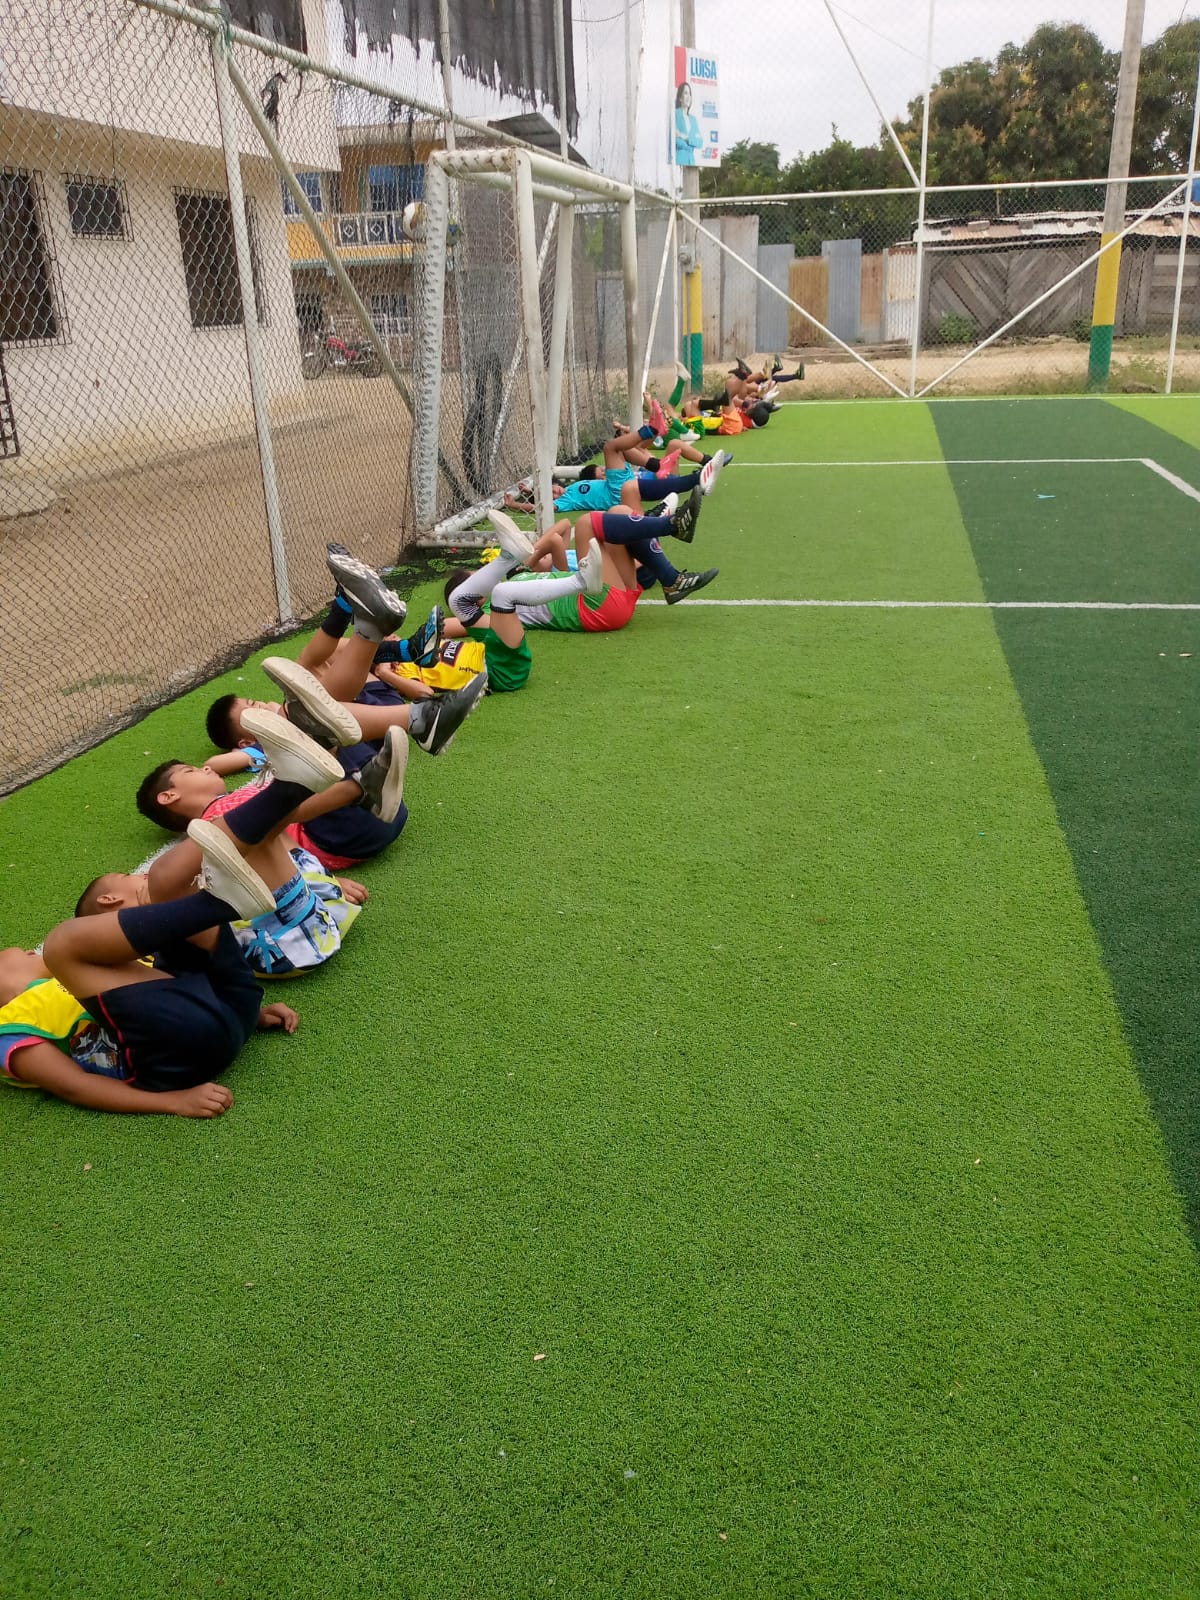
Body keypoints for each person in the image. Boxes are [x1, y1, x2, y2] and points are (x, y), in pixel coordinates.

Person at [0, 711, 356, 1114]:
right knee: (61, 943)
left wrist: (253, 1015)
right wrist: (171, 1102)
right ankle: (223, 900)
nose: (25, 952)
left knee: (165, 883)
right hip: (184, 1052)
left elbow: (166, 978)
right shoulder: (10, 1032)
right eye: (8, 958)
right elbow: (76, 1087)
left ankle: (292, 787)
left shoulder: (95, 974)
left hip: (228, 1004)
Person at [205, 544, 487, 758]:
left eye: (253, 702)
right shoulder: (266, 746)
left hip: (363, 707)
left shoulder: (283, 724)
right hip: (366, 728)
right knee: (305, 695)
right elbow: (222, 763)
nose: (259, 705)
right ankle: (352, 610)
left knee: (310, 672)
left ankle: (357, 611)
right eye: (252, 711)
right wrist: (223, 761)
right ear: (245, 741)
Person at [674, 81, 702, 166]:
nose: (688, 97)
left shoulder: (693, 119)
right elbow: (675, 140)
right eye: (686, 93)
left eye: (690, 94)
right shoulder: (675, 114)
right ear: (680, 98)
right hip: (679, 160)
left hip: (691, 161)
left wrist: (685, 137)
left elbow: (700, 142)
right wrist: (691, 144)